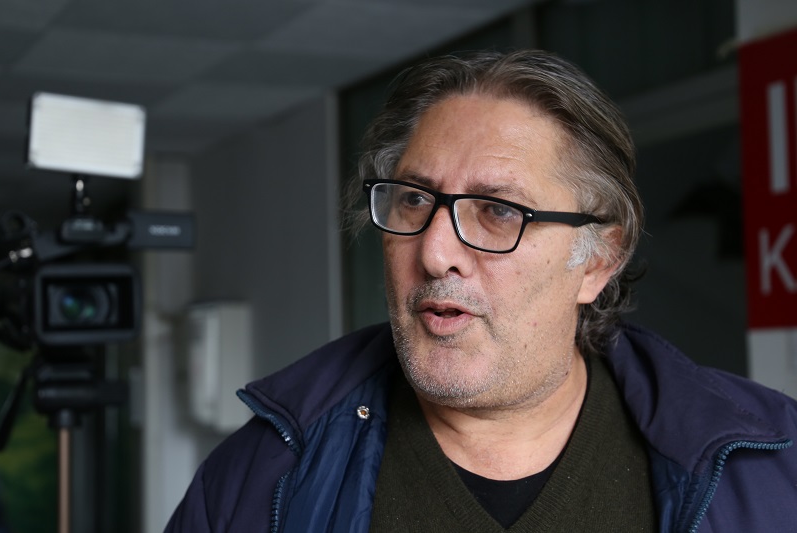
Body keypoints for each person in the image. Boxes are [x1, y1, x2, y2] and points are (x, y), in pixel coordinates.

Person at [165, 50, 797, 532]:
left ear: (599, 260)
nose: (434, 251)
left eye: (498, 210)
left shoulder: (775, 473)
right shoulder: (256, 481)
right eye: (415, 200)